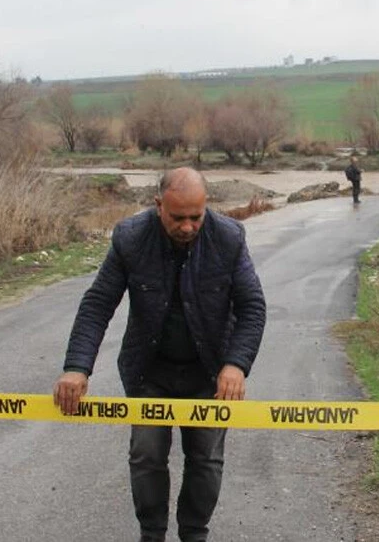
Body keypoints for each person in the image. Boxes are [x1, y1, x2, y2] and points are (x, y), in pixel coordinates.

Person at [54, 167, 266, 542]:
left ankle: (194, 534)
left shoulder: (229, 238)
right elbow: (98, 304)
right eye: (177, 217)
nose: (187, 227)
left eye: (195, 217)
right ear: (158, 206)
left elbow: (252, 306)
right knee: (147, 455)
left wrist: (235, 365)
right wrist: (76, 367)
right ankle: (151, 534)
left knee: (206, 459)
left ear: (206, 208)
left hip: (208, 374)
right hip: (150, 372)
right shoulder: (130, 238)